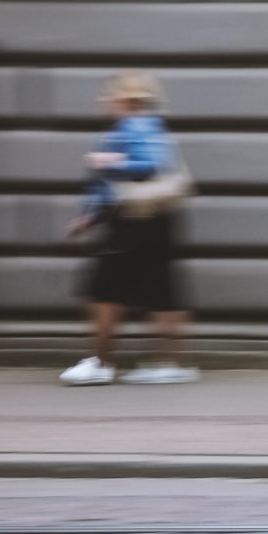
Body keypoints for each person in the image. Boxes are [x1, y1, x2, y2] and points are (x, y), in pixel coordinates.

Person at [60, 71, 198, 386]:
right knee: (162, 288)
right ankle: (172, 363)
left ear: (127, 98)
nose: (104, 100)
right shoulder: (146, 125)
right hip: (152, 217)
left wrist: (108, 160)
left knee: (103, 288)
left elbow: (148, 164)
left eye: (109, 94)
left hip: (134, 218)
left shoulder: (138, 124)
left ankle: (101, 362)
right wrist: (90, 216)